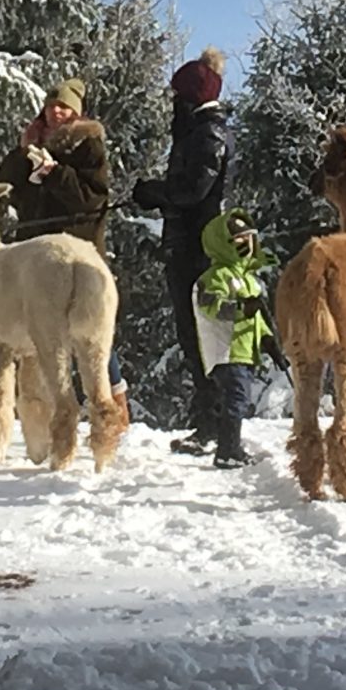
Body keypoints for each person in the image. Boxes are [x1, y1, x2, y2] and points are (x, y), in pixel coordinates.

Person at [0, 78, 129, 424]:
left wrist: (55, 174)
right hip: (35, 253)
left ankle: (115, 404)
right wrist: (23, 155)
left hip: (78, 249)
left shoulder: (89, 146)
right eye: (52, 105)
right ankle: (51, 410)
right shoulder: (32, 144)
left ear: (75, 112)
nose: (56, 112)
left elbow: (92, 199)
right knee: (43, 333)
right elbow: (4, 186)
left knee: (94, 331)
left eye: (64, 107)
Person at [129, 47, 231, 455]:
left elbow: (194, 190)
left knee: (203, 335)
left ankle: (217, 423)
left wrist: (155, 193)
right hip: (188, 245)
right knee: (194, 336)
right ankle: (209, 420)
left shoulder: (209, 134)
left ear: (190, 98)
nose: (172, 105)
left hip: (200, 250)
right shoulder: (198, 132)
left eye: (176, 97)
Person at [193, 208, 278, 469]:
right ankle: (228, 450)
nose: (246, 247)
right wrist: (241, 308)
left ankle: (225, 442)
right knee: (236, 399)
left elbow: (257, 317)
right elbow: (211, 307)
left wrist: (267, 339)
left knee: (234, 399)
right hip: (225, 350)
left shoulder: (248, 280)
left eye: (249, 241)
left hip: (245, 351)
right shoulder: (214, 278)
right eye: (239, 242)